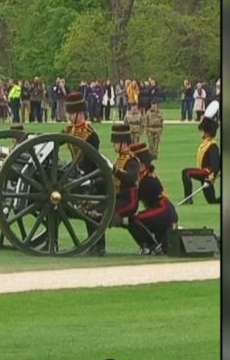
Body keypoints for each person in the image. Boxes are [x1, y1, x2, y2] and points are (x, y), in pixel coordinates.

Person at [62, 92, 106, 256]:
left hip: (91, 175)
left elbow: (91, 159)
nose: (68, 116)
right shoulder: (69, 130)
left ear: (79, 113)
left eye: (71, 113)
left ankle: (98, 245)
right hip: (76, 175)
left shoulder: (90, 135)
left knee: (92, 212)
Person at [110, 124, 151, 253]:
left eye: (115, 142)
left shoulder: (132, 160)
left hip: (129, 201)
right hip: (119, 198)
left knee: (102, 213)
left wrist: (115, 170)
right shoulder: (120, 159)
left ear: (123, 142)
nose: (113, 145)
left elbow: (130, 178)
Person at [132, 145, 176, 254]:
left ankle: (150, 246)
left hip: (163, 210)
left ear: (142, 165)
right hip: (161, 210)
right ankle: (153, 245)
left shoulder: (147, 180)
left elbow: (135, 199)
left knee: (135, 220)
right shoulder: (144, 176)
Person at [181, 105, 221, 204]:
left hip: (207, 173)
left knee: (186, 172)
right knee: (212, 201)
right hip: (203, 172)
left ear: (207, 132)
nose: (200, 133)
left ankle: (188, 199)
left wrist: (211, 176)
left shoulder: (212, 145)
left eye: (202, 131)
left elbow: (216, 164)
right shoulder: (206, 143)